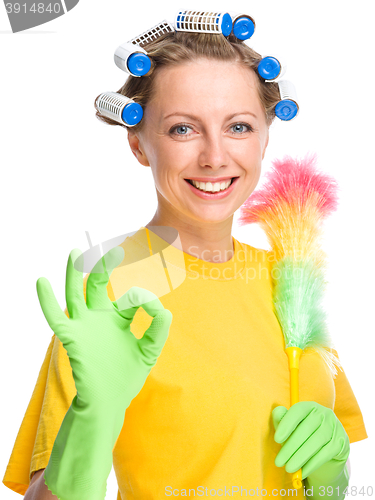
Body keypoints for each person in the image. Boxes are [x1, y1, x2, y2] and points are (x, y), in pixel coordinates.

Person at [3, 24, 367, 500]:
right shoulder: (111, 296)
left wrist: (332, 473)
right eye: (183, 128)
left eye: (239, 126)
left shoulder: (289, 279)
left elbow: (322, 488)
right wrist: (90, 426)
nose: (215, 156)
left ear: (264, 140)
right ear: (138, 144)